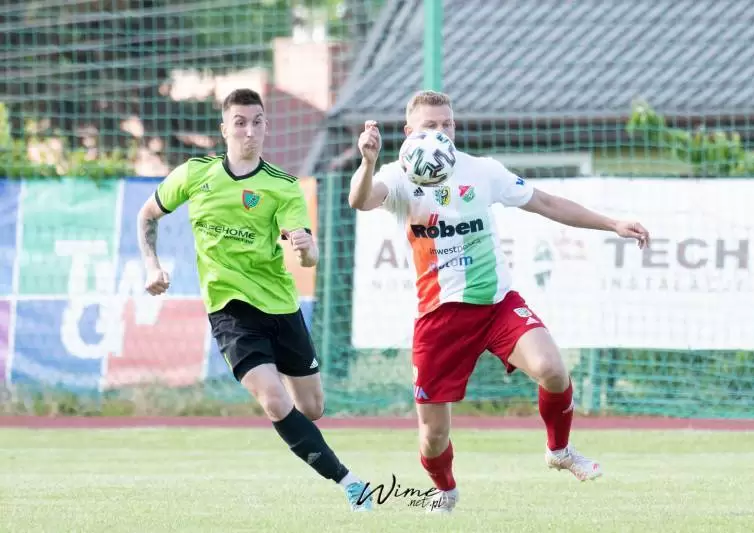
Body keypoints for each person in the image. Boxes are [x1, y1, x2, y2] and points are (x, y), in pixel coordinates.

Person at [348, 90, 651, 513]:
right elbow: (360, 200)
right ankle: (445, 490)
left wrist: (612, 223)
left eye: (447, 124)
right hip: (439, 318)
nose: (441, 132)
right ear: (409, 131)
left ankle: (559, 451)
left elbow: (546, 202)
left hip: (496, 305)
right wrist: (366, 162)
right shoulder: (398, 177)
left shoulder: (481, 170)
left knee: (552, 369)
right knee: (433, 436)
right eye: (431, 125)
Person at [136, 88, 373, 512]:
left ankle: (300, 428)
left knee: (312, 408)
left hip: (280, 306)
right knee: (274, 401)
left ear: (266, 127)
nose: (249, 130)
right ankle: (350, 483)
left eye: (257, 121)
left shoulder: (282, 186)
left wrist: (307, 249)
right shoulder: (195, 174)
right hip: (230, 310)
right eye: (240, 122)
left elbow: (309, 253)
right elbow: (147, 215)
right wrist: (152, 266)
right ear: (224, 129)